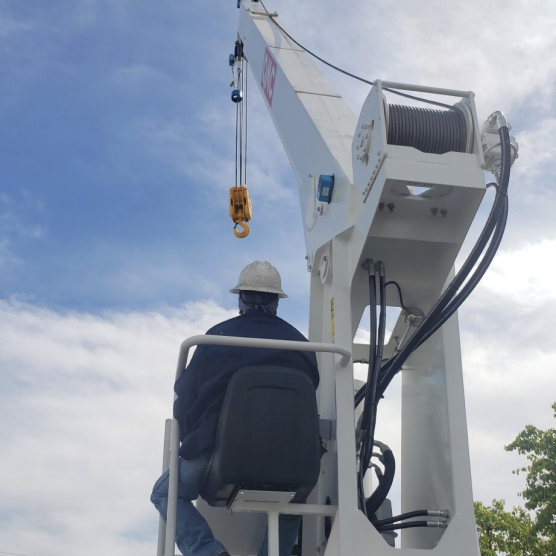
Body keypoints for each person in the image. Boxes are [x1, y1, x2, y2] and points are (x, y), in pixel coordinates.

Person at [151, 261, 320, 556]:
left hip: (221, 449)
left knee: (165, 493)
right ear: (276, 303)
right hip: (292, 458)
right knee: (295, 503)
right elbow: (308, 395)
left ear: (240, 298)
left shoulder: (215, 338)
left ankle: (210, 552)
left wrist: (195, 440)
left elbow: (185, 400)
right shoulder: (301, 348)